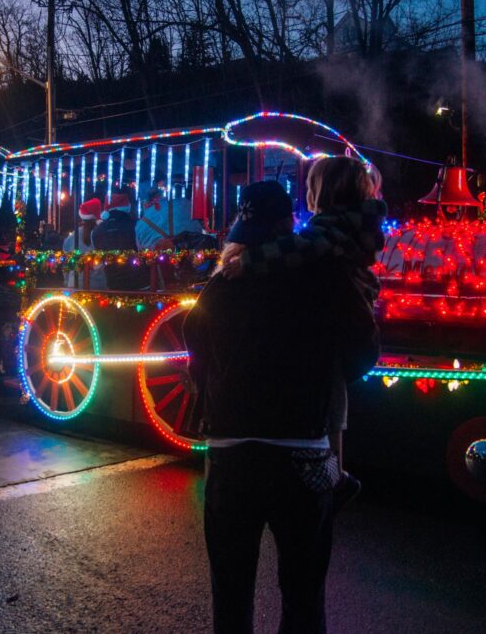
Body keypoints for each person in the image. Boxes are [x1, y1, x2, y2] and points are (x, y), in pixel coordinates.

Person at [183, 181, 380, 633]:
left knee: (230, 597)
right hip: (301, 454)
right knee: (303, 598)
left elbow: (195, 344)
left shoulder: (223, 283)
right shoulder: (324, 275)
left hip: (231, 453)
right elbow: (363, 348)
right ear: (290, 223)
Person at [222, 157, 387, 510]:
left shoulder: (327, 230)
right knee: (335, 393)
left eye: (311, 185)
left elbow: (294, 250)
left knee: (328, 396)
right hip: (349, 326)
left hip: (263, 420)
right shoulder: (358, 224)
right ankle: (336, 472)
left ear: (323, 192)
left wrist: (247, 263)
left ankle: (332, 476)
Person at [91, 190, 149, 290]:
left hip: (112, 283)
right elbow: (145, 251)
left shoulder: (96, 231)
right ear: (127, 207)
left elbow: (98, 262)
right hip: (138, 283)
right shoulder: (136, 225)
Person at [135, 186, 204, 251]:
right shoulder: (183, 204)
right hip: (192, 256)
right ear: (162, 196)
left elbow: (141, 252)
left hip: (158, 261)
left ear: (145, 204)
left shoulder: (140, 225)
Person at [62, 198, 106, 289]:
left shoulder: (72, 237)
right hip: (99, 285)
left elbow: (66, 264)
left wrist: (67, 282)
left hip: (75, 284)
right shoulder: (103, 234)